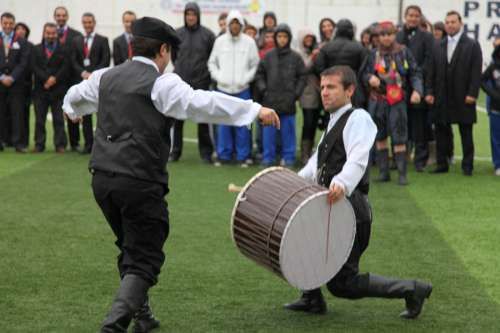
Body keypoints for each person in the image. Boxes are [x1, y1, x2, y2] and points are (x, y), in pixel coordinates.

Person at [62, 16, 279, 333]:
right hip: (138, 180)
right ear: (163, 50)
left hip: (102, 179)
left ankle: (143, 315)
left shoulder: (105, 76)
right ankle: (114, 325)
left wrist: (73, 112)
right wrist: (252, 110)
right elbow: (202, 103)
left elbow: (73, 97)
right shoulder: (162, 83)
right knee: (145, 256)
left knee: (130, 245)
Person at [284, 65, 432, 319]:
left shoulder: (359, 118)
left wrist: (342, 182)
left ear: (350, 90)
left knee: (343, 285)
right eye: (322, 87)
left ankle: (413, 289)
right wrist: (292, 182)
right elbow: (316, 163)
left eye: (331, 87)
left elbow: (358, 159)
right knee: (301, 242)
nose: (324, 93)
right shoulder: (333, 121)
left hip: (351, 210)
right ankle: (312, 298)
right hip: (331, 205)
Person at [360, 21, 423, 185]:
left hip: (397, 101)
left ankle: (402, 174)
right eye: (382, 34)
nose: (386, 37)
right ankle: (383, 172)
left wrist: (417, 90)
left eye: (389, 34)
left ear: (395, 34)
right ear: (378, 37)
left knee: (399, 136)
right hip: (377, 100)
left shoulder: (403, 52)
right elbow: (363, 74)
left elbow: (415, 72)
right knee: (380, 136)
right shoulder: (373, 54)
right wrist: (369, 78)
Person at [425, 11, 482, 175]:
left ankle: (467, 166)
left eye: (453, 22)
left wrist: (473, 93)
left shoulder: (472, 45)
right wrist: (429, 91)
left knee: (466, 132)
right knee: (441, 130)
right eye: (447, 22)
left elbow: (476, 72)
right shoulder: (438, 45)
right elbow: (431, 71)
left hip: (464, 96)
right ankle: (442, 164)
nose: (450, 25)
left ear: (460, 23)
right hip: (442, 96)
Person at [208, 10, 260, 167]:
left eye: (238, 23)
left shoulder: (249, 42)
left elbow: (255, 64)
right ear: (228, 24)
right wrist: (219, 77)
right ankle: (224, 155)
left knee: (244, 124)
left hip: (243, 89)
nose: (235, 26)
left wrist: (246, 79)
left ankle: (243, 156)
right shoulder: (220, 41)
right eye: (232, 23)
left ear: (242, 25)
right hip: (223, 90)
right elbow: (212, 63)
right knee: (223, 124)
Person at [256, 23, 306, 167]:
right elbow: (259, 75)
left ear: (289, 38)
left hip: (288, 102)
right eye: (279, 36)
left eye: (285, 36)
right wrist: (264, 90)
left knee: (288, 133)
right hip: (270, 101)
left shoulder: (296, 57)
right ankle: (268, 158)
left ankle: (289, 158)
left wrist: (296, 94)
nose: (282, 39)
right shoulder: (268, 56)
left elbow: (303, 77)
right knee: (269, 134)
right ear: (275, 38)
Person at [171, 2, 216, 163]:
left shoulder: (208, 35)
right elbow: (174, 57)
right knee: (177, 120)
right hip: (181, 83)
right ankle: (175, 152)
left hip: (201, 83)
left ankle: (206, 154)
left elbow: (212, 57)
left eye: (193, 14)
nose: (190, 17)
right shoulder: (177, 34)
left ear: (198, 16)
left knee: (202, 118)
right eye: (188, 14)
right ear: (184, 16)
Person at [396, 5, 435, 172]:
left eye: (416, 16)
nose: (413, 18)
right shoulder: (397, 35)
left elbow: (429, 60)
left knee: (419, 125)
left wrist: (416, 77)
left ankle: (420, 160)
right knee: (399, 123)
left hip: (419, 86)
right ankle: (399, 159)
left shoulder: (427, 36)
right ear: (405, 16)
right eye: (410, 15)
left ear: (420, 18)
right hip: (398, 87)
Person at [71, 12, 111, 154]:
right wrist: (83, 74)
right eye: (85, 22)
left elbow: (105, 60)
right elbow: (73, 60)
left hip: (98, 83)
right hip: (83, 83)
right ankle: (89, 145)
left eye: (90, 22)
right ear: (82, 24)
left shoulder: (103, 40)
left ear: (94, 23)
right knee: (86, 114)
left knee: (101, 115)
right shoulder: (76, 40)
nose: (87, 25)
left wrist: (93, 75)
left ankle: (102, 146)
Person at [31, 22, 69, 153]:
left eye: (53, 33)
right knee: (39, 120)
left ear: (57, 34)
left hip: (58, 90)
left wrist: (54, 79)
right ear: (44, 33)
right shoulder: (35, 49)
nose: (51, 35)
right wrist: (46, 79)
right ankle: (39, 144)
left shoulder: (64, 49)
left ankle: (60, 145)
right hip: (40, 90)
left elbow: (65, 67)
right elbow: (34, 67)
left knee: (59, 120)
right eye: (48, 33)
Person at [315, 19, 369, 108]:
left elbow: (319, 67)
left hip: (332, 86)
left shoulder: (326, 47)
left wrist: (328, 79)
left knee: (334, 116)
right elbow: (363, 69)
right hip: (354, 87)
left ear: (336, 31)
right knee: (353, 115)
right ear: (351, 31)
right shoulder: (359, 48)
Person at [54, 6, 84, 152]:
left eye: (63, 15)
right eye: (58, 15)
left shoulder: (76, 35)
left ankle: (74, 142)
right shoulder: (49, 32)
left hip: (72, 79)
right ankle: (59, 143)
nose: (60, 18)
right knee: (57, 113)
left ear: (67, 17)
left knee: (73, 110)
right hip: (56, 81)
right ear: (55, 17)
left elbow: (77, 58)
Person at [0, 12, 30, 152]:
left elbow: (23, 63)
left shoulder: (21, 41)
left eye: (10, 23)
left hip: (16, 84)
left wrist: (12, 77)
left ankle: (18, 143)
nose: (8, 26)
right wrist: (2, 77)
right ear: (1, 23)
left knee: (17, 113)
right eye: (5, 23)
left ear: (14, 24)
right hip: (0, 83)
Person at [295, 27, 321, 164]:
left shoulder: (317, 51)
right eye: (306, 38)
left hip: (319, 92)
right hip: (307, 93)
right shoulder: (299, 54)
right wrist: (313, 57)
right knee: (308, 123)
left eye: (311, 38)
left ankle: (311, 151)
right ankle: (304, 154)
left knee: (315, 122)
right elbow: (303, 69)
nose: (309, 41)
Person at [480, 38, 500, 176]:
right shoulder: (494, 67)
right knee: (496, 137)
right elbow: (481, 80)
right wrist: (492, 93)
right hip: (496, 108)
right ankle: (498, 164)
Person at [14, 22, 33, 148]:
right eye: (18, 29)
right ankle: (10, 139)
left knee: (24, 114)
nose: (20, 31)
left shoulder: (31, 46)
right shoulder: (10, 45)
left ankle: (24, 140)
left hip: (26, 85)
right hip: (12, 84)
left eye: (23, 29)